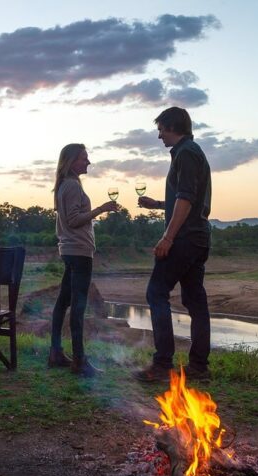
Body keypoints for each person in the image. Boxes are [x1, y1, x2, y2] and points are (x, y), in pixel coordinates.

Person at [133, 107, 213, 383]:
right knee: (194, 299)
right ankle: (199, 366)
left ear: (172, 126)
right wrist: (157, 204)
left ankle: (162, 364)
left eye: (161, 129)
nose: (159, 136)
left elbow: (186, 200)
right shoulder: (192, 152)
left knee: (156, 292)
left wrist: (168, 237)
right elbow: (186, 197)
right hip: (199, 236)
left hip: (185, 238)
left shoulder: (186, 153)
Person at [49, 143, 118, 377]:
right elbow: (74, 220)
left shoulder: (66, 185)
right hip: (78, 252)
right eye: (84, 158)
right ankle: (79, 360)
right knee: (78, 306)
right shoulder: (71, 186)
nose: (88, 162)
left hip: (70, 250)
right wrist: (101, 209)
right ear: (71, 162)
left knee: (63, 302)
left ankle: (55, 352)